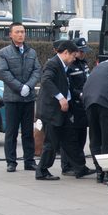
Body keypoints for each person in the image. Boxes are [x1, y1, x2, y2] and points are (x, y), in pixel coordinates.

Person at [0, 21, 41, 172]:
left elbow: (37, 71)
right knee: (11, 132)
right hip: (12, 98)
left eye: (22, 32)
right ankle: (11, 161)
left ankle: (29, 161)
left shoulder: (31, 52)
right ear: (11, 34)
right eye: (17, 32)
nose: (21, 34)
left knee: (28, 131)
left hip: (28, 98)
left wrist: (28, 86)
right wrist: (19, 87)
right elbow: (4, 73)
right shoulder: (4, 52)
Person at [35, 39, 78, 180]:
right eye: (72, 56)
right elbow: (46, 80)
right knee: (51, 142)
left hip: (60, 110)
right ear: (66, 53)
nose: (73, 60)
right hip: (51, 110)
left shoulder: (62, 65)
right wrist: (61, 97)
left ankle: (79, 166)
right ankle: (42, 170)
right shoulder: (53, 63)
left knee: (69, 137)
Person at [61, 37, 95, 178]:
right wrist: (79, 94)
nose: (82, 54)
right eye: (80, 52)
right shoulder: (69, 66)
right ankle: (67, 166)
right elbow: (67, 87)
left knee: (81, 136)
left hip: (83, 105)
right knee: (71, 137)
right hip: (73, 105)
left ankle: (79, 164)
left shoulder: (83, 64)